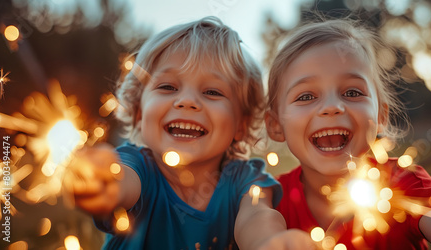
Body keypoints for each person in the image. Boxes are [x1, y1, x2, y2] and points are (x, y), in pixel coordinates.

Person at [264, 18, 431, 249]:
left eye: (352, 92)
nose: (332, 107)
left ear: (381, 116)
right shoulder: (271, 198)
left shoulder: (404, 183)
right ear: (275, 125)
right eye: (306, 96)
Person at [69, 17, 290, 250]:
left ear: (241, 124)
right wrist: (104, 181)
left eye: (212, 91)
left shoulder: (244, 180)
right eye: (167, 87)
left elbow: (256, 217)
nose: (186, 101)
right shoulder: (138, 167)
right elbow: (122, 182)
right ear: (139, 112)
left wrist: (269, 241)